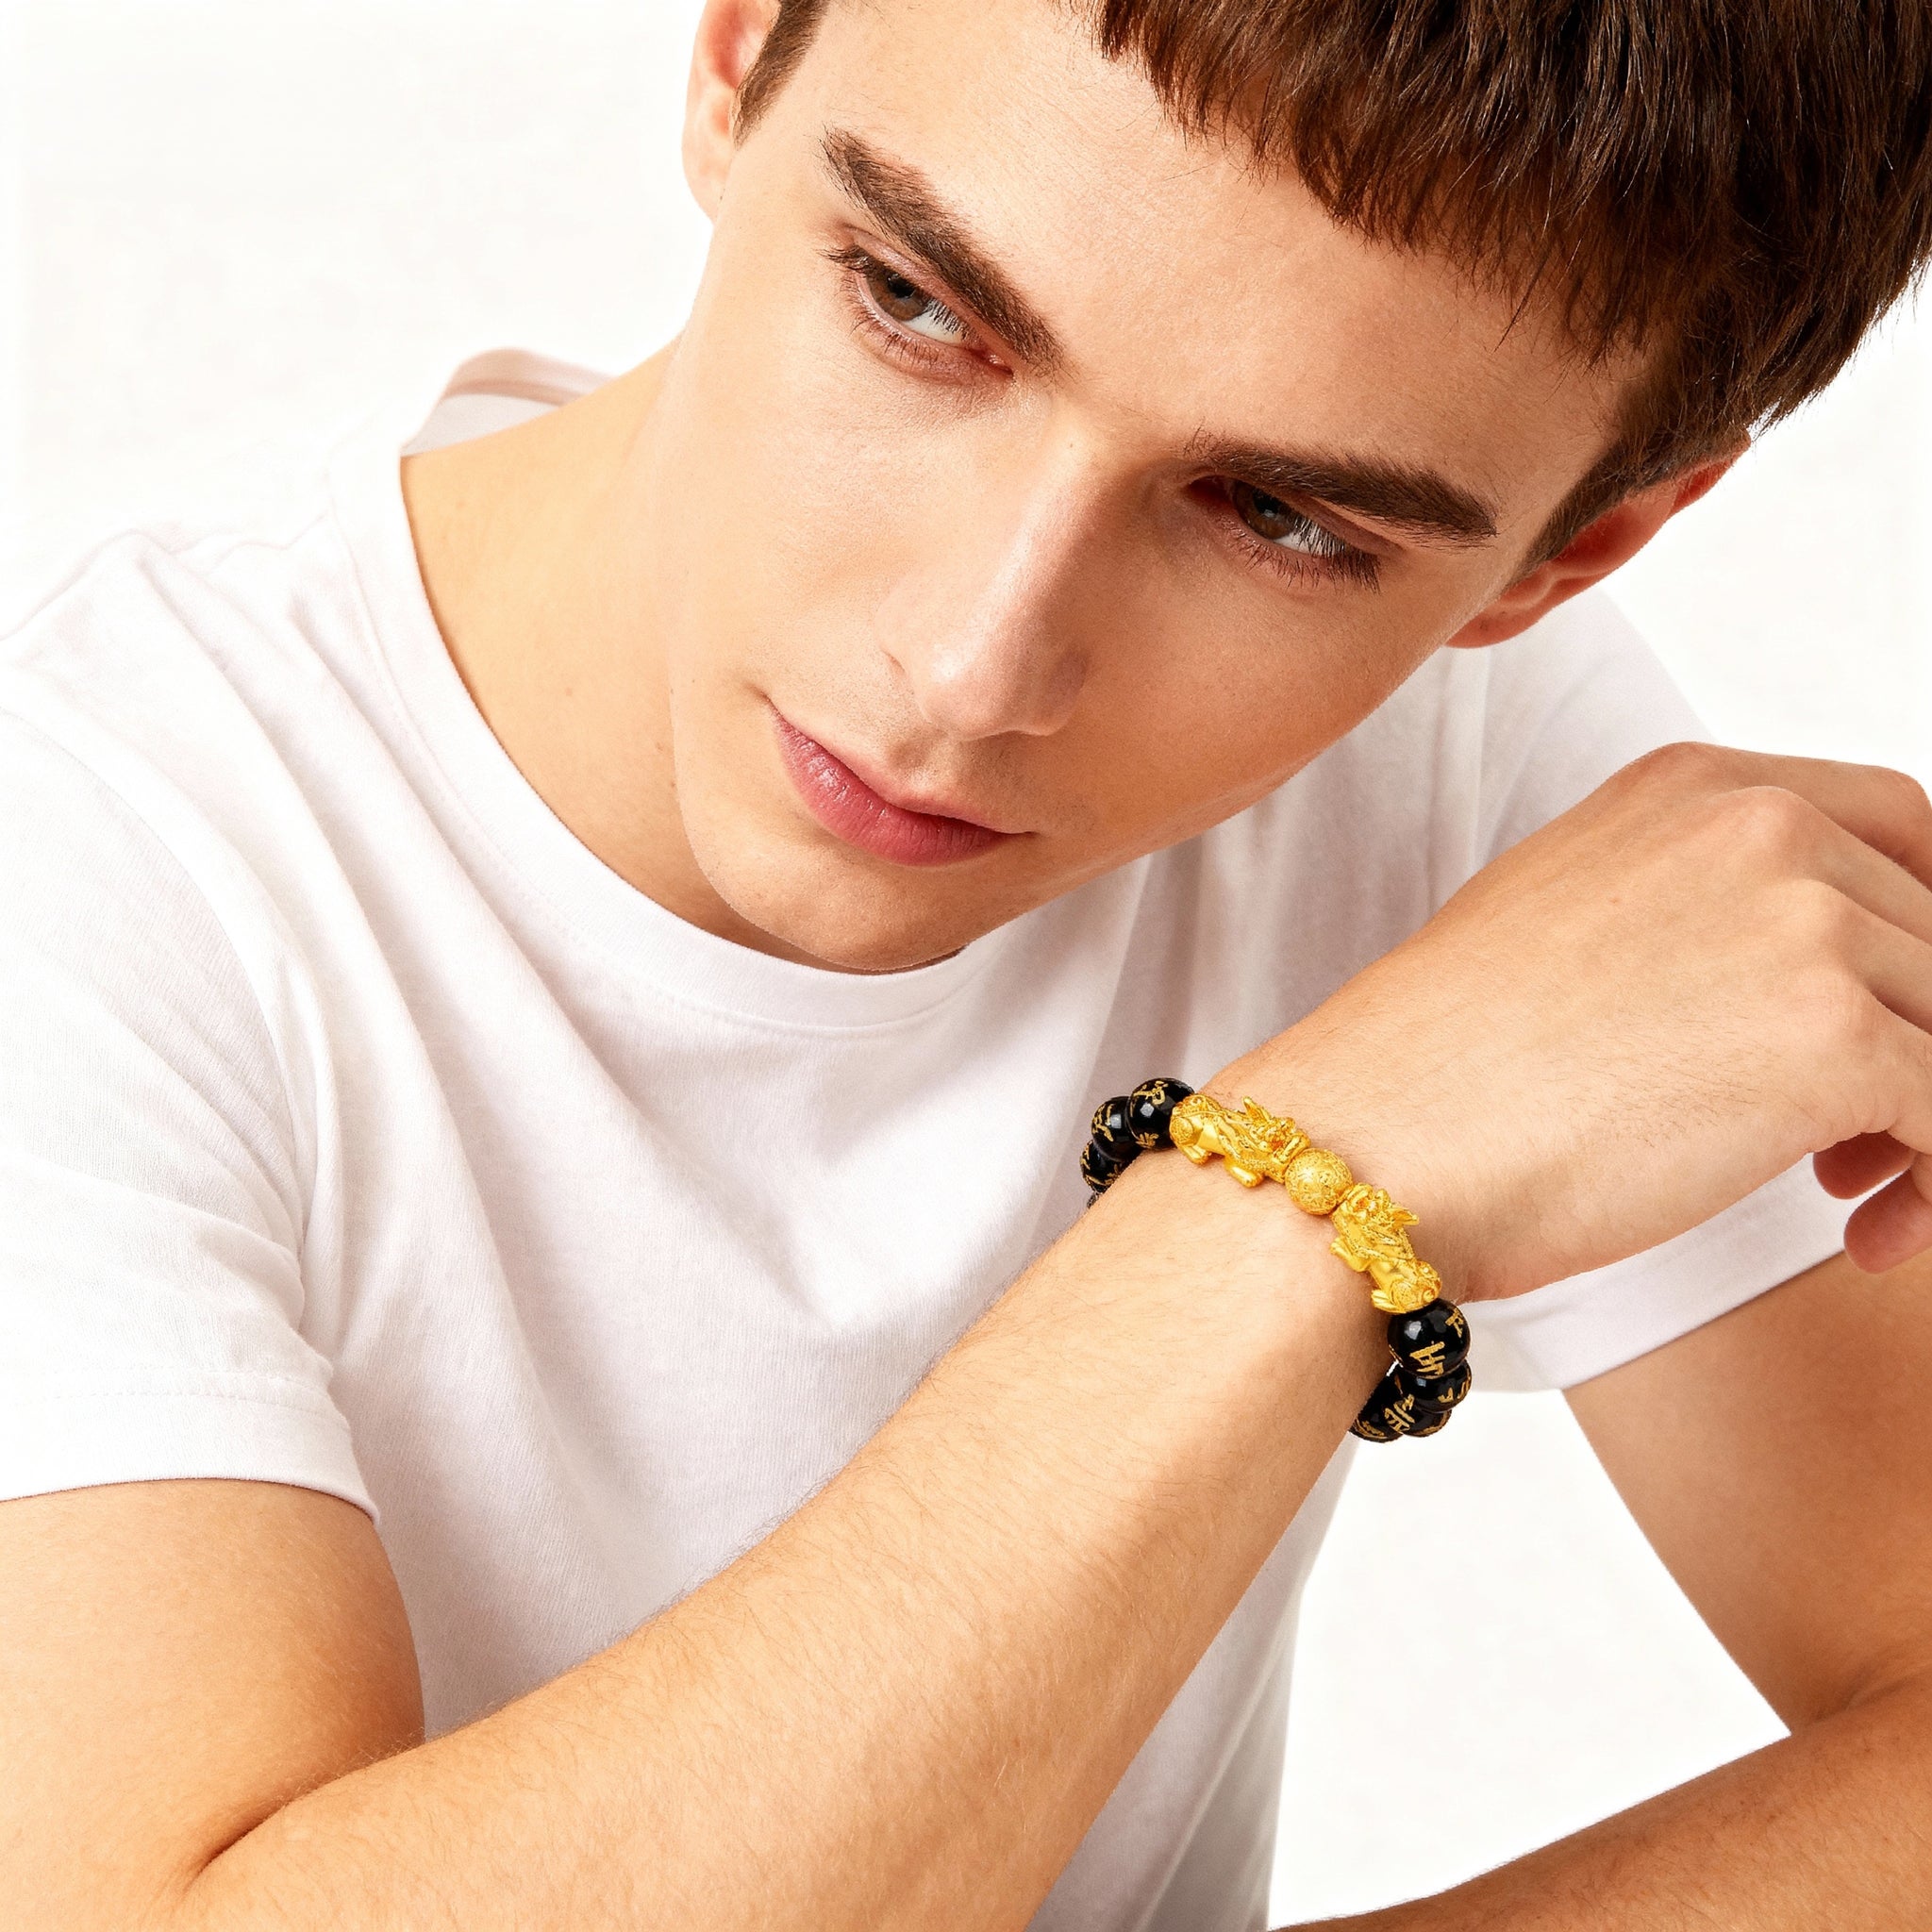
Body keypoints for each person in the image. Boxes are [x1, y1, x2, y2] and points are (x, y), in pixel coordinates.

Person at [5, 0, 1932, 1924]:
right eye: (919, 308)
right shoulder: (100, 849)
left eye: (1276, 520)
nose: (970, 664)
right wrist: (1290, 1199)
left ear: (1565, 553)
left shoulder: (1457, 754)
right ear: (738, 50)